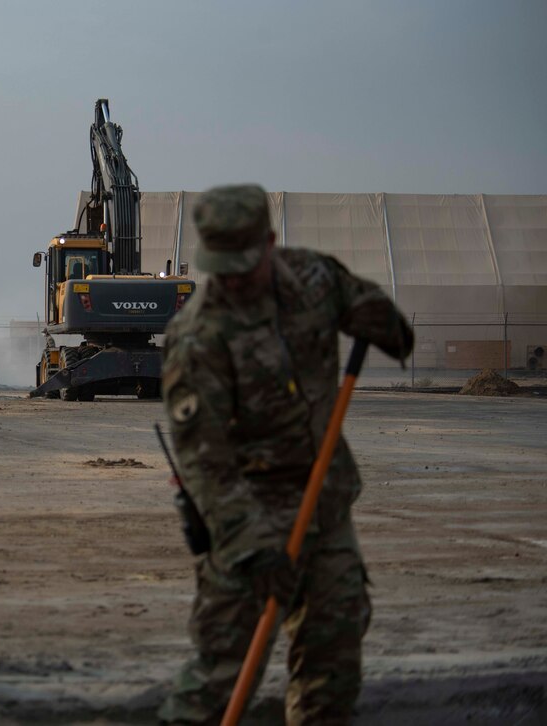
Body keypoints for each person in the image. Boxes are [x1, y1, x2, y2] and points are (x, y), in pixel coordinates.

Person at [159, 184, 413, 725]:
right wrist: (251, 548)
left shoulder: (314, 279)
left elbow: (371, 309)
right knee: (221, 675)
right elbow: (205, 460)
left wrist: (388, 325)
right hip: (246, 511)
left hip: (324, 501)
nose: (229, 280)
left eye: (242, 266)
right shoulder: (197, 336)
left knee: (332, 659)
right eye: (219, 266)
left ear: (270, 244)